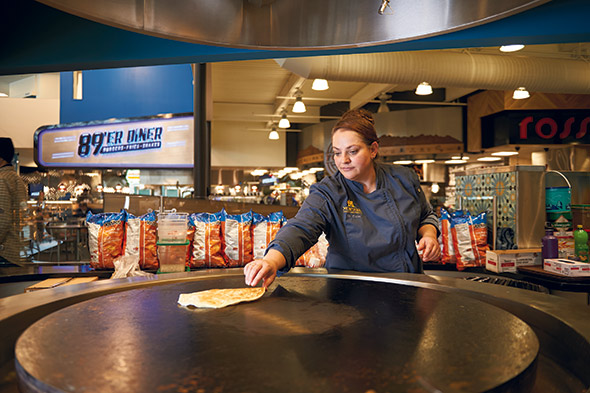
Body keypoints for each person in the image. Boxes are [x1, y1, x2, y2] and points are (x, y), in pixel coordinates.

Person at [245, 109, 441, 288]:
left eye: (352, 151)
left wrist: (429, 235)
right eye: (337, 153)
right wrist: (271, 260)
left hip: (406, 286)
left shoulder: (403, 179)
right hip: (349, 291)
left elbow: (425, 215)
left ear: (373, 149)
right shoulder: (328, 191)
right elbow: (301, 227)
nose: (343, 160)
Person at [0, 137, 28, 266]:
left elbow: (2, 220)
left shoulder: (2, 179)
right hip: (15, 249)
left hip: (4, 252)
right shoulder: (16, 178)